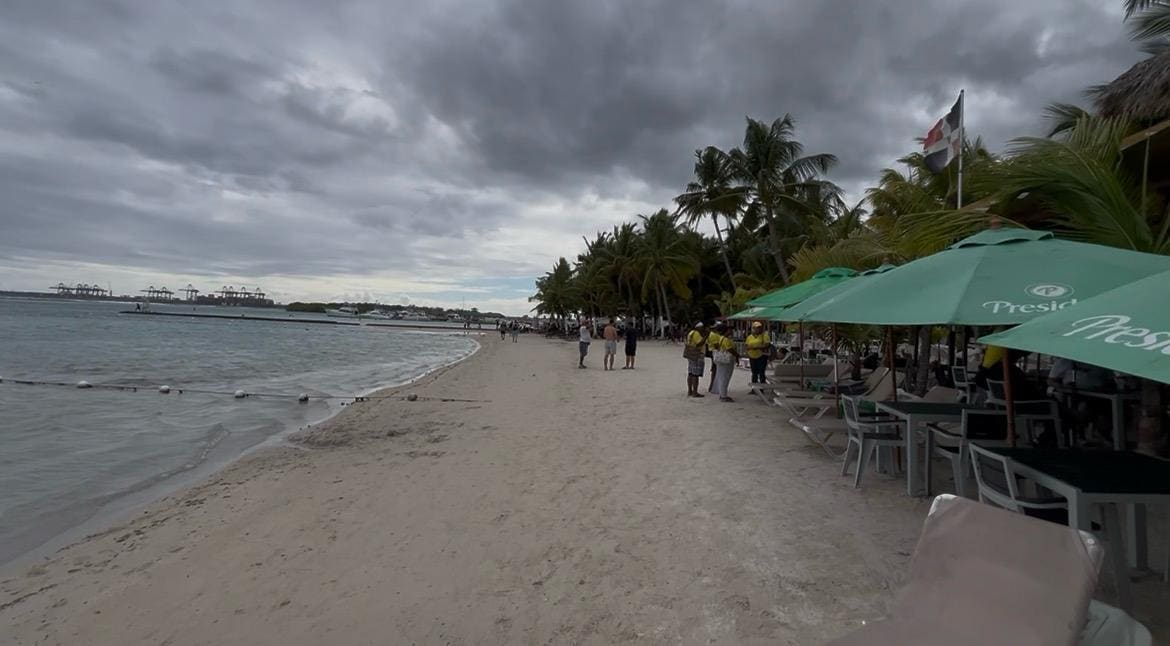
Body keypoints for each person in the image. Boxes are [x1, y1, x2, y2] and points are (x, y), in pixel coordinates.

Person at [707, 321, 739, 402]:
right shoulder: (726, 339)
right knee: (725, 377)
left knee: (722, 376)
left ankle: (722, 394)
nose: (731, 331)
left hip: (721, 360)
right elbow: (729, 349)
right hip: (726, 360)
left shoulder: (721, 338)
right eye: (729, 330)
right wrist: (737, 355)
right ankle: (723, 395)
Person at [684, 322, 709, 397]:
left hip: (690, 354)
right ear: (698, 327)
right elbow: (699, 343)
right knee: (695, 374)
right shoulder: (696, 334)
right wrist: (706, 336)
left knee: (690, 373)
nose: (703, 329)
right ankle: (695, 392)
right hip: (697, 355)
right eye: (702, 327)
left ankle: (690, 391)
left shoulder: (691, 333)